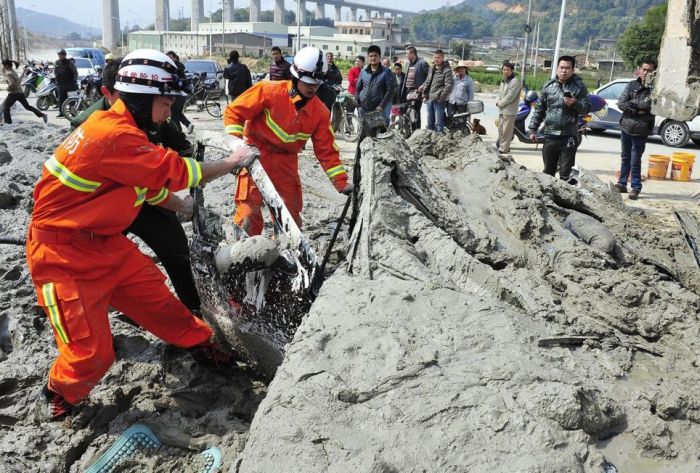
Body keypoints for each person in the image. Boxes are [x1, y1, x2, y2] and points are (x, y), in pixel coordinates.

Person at [28, 49, 260, 420]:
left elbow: (144, 186)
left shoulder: (125, 131)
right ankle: (60, 394)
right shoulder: (112, 135)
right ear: (141, 98)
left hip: (105, 244)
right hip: (63, 259)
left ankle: (203, 346)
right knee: (92, 354)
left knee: (159, 302)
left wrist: (181, 208)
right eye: (165, 102)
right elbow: (179, 173)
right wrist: (233, 162)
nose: (169, 111)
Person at [69, 58, 202, 313]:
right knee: (96, 262)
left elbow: (179, 147)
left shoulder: (155, 113)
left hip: (145, 199)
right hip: (103, 207)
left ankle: (193, 307)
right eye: (122, 97)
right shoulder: (89, 124)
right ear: (108, 93)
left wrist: (184, 169)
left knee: (175, 250)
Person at [223, 46, 352, 236]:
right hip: (255, 157)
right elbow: (234, 112)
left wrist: (341, 183)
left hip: (286, 164)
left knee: (290, 218)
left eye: (316, 84)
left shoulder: (320, 112)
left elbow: (327, 151)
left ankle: (284, 255)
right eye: (308, 82)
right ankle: (246, 253)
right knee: (248, 213)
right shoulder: (268, 91)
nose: (312, 87)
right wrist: (236, 144)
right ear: (296, 76)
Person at [528, 55, 590, 182]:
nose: (564, 71)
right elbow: (539, 110)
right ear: (557, 69)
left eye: (567, 68)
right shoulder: (548, 86)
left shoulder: (579, 87)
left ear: (572, 70)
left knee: (566, 175)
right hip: (550, 136)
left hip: (569, 137)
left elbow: (586, 109)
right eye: (561, 67)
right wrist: (533, 129)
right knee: (548, 172)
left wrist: (575, 103)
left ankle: (565, 201)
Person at [613, 59, 657, 200]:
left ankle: (636, 187)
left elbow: (647, 104)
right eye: (644, 69)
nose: (646, 72)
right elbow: (621, 103)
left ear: (654, 72)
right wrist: (636, 107)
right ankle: (622, 183)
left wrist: (632, 104)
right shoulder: (631, 85)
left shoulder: (655, 88)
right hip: (626, 126)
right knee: (625, 157)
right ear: (640, 69)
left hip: (641, 128)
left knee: (635, 159)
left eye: (649, 70)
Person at [355, 45, 394, 125]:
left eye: (375, 55)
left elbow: (390, 90)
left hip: (377, 109)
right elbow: (358, 89)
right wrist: (358, 104)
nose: (373, 58)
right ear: (368, 57)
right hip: (363, 108)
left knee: (378, 134)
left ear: (380, 57)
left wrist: (381, 106)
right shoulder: (363, 72)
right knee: (363, 133)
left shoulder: (386, 72)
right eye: (371, 56)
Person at [1, 59, 48, 125]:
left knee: (5, 107)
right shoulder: (13, 71)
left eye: (3, 65)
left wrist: (7, 88)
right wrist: (23, 73)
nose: (3, 67)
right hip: (20, 92)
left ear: (7, 65)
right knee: (27, 106)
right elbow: (18, 81)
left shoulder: (8, 74)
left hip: (13, 93)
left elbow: (12, 84)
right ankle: (42, 115)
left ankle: (8, 123)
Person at [422, 49, 453, 134]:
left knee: (439, 123)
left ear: (443, 58)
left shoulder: (447, 70)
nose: (436, 59)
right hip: (430, 98)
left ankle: (440, 141)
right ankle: (430, 141)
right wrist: (424, 93)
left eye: (438, 57)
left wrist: (441, 97)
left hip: (439, 100)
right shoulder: (432, 69)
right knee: (430, 123)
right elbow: (427, 81)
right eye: (435, 57)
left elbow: (448, 86)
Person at [495, 62, 521, 154]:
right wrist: (498, 101)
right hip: (502, 110)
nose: (505, 71)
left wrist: (500, 103)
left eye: (508, 70)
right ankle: (503, 147)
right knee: (501, 130)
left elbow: (510, 96)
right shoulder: (504, 81)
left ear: (512, 70)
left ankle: (503, 150)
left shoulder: (514, 81)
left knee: (507, 132)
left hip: (509, 111)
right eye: (504, 69)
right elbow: (500, 94)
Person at [166, 50, 194, 134]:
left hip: (175, 94)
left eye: (171, 57)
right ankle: (188, 125)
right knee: (177, 112)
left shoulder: (172, 68)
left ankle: (178, 133)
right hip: (181, 94)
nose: (169, 59)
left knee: (173, 114)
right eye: (168, 58)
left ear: (175, 57)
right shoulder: (180, 67)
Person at [402, 46, 429, 130]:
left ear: (413, 54)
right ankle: (409, 131)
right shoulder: (409, 64)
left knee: (415, 113)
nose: (406, 55)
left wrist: (423, 86)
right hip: (408, 92)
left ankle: (416, 131)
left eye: (407, 53)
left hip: (417, 93)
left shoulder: (422, 63)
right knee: (407, 113)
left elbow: (430, 77)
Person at [54, 49, 78, 118]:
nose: (60, 56)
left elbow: (75, 72)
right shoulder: (57, 62)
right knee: (60, 99)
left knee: (71, 99)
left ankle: (73, 112)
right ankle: (61, 113)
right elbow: (55, 72)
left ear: (65, 55)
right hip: (60, 84)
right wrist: (56, 80)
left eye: (61, 54)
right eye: (59, 54)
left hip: (70, 84)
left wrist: (74, 81)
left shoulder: (70, 62)